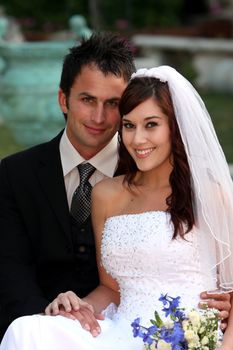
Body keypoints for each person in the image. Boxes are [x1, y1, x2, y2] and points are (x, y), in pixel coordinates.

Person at [1, 65, 233, 349]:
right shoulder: (107, 194)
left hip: (191, 335)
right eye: (129, 125)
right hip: (123, 330)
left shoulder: (212, 195)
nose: (137, 140)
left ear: (175, 126)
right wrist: (78, 307)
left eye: (151, 124)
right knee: (28, 330)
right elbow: (111, 289)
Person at [0, 32, 135, 339]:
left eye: (112, 103)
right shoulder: (15, 173)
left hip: (127, 329)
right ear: (64, 100)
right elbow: (9, 272)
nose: (98, 117)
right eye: (88, 100)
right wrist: (52, 328)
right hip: (36, 327)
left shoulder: (144, 172)